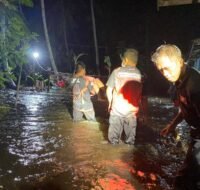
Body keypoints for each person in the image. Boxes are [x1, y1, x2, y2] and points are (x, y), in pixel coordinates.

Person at [151, 44, 200, 190]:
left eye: (167, 67)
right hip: (196, 133)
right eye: (161, 70)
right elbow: (187, 108)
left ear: (179, 61)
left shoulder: (195, 85)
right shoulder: (180, 81)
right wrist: (172, 125)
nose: (164, 73)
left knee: (183, 181)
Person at [106, 49, 142, 145]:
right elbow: (139, 94)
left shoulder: (117, 72)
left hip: (117, 111)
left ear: (125, 60)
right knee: (130, 142)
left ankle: (113, 153)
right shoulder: (138, 73)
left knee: (113, 141)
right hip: (131, 112)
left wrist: (110, 103)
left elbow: (109, 90)